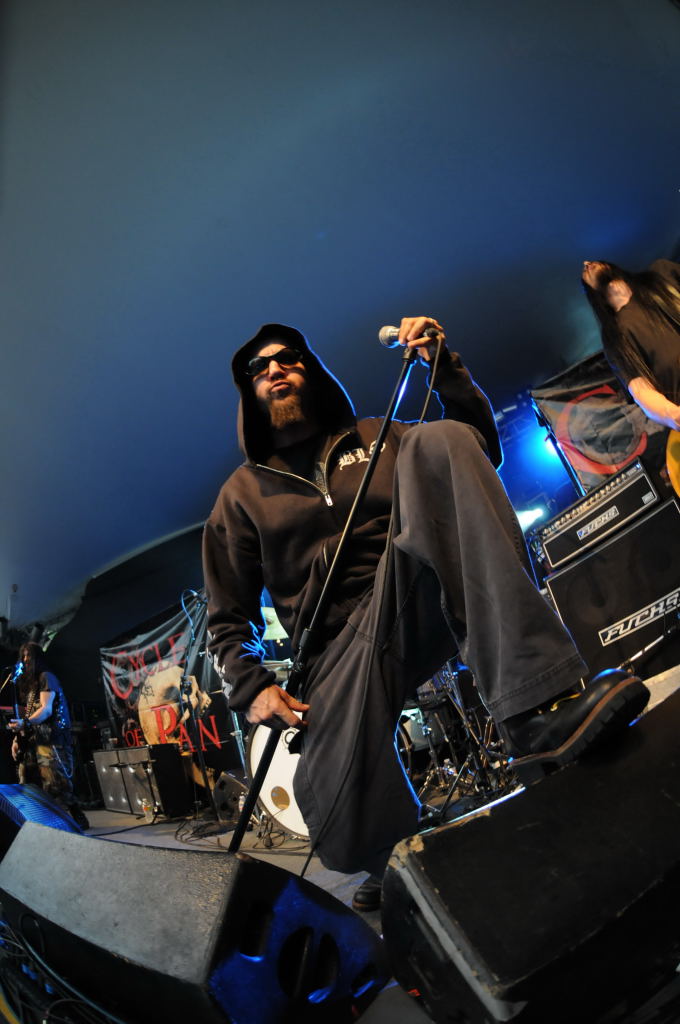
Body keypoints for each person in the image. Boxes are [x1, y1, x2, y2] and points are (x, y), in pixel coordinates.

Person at [202, 317, 648, 910]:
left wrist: (444, 368)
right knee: (343, 829)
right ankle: (392, 859)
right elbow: (227, 617)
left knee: (441, 440)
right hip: (336, 652)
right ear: (249, 392)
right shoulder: (240, 495)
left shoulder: (381, 435)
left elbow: (476, 450)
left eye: (288, 358)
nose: (274, 370)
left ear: (312, 370)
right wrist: (251, 685)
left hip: (416, 585)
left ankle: (537, 713)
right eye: (258, 368)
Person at [581, 258, 680, 427]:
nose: (586, 263)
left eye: (592, 261)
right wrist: (674, 415)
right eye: (584, 271)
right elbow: (641, 391)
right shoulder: (614, 338)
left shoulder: (661, 274)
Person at [8, 642, 89, 830]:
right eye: (23, 656)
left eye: (29, 656)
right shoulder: (30, 686)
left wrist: (25, 724)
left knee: (55, 781)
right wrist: (17, 738)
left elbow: (46, 709)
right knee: (26, 778)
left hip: (51, 736)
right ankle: (39, 821)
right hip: (33, 737)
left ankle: (76, 814)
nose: (25, 660)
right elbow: (28, 714)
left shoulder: (47, 677)